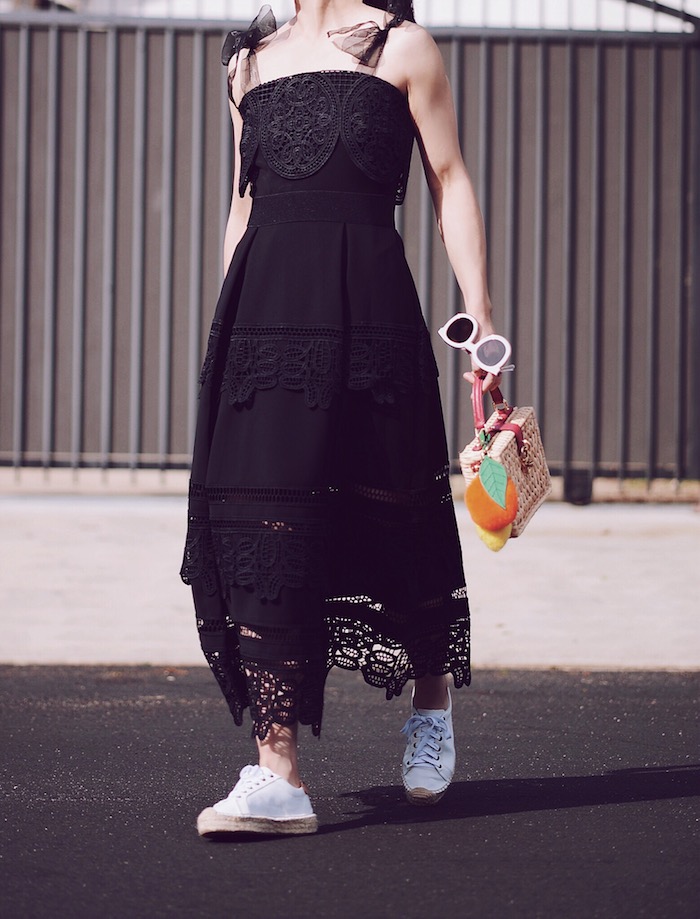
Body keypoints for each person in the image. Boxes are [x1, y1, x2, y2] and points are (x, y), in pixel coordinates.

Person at [181, 0, 504, 838]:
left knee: (399, 507)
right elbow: (243, 206)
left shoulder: (404, 49)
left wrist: (483, 319)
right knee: (265, 528)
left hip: (372, 316)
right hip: (265, 323)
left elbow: (450, 178)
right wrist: (229, 325)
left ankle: (429, 707)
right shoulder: (246, 60)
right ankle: (279, 772)